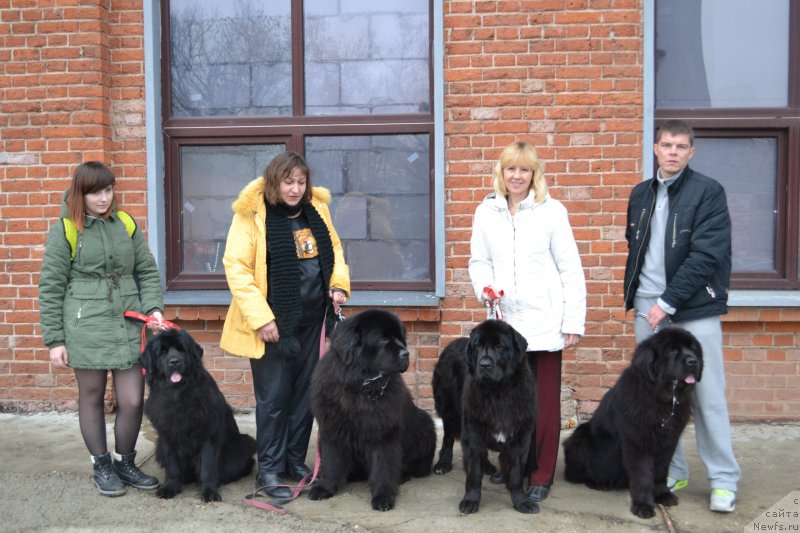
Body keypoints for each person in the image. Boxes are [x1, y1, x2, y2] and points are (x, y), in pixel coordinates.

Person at [624, 119, 740, 513]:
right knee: (655, 398)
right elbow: (637, 251)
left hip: (692, 310)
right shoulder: (641, 194)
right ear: (655, 149)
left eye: (681, 146)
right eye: (666, 144)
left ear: (692, 153)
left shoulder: (708, 192)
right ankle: (670, 471)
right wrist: (643, 301)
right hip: (648, 309)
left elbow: (707, 255)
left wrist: (668, 302)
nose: (672, 151)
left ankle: (724, 480)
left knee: (707, 398)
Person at [220, 151, 350, 499]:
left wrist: (338, 284)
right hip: (274, 326)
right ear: (274, 182)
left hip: (313, 322)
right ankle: (270, 469)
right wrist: (262, 318)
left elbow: (334, 250)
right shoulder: (252, 214)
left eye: (301, 181)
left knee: (304, 396)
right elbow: (237, 268)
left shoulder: (316, 211)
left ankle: (294, 459)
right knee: (274, 399)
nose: (295, 189)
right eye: (288, 181)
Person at [468, 141, 586, 503]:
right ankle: (513, 468)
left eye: (524, 169)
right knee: (505, 404)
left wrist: (573, 321)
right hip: (505, 326)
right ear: (501, 173)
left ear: (534, 174)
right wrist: (484, 288)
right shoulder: (486, 212)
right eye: (511, 169)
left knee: (543, 404)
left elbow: (570, 268)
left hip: (544, 321)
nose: (517, 176)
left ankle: (540, 473)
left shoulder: (552, 212)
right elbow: (478, 260)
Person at [38, 161, 163, 496]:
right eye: (96, 192)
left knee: (133, 399)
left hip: (128, 322)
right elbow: (50, 287)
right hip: (85, 324)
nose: (104, 198)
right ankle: (102, 465)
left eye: (108, 190)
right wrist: (55, 340)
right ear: (81, 193)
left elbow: (147, 272)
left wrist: (152, 308)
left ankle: (125, 461)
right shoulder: (66, 229)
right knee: (91, 397)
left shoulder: (125, 223)